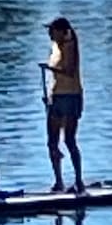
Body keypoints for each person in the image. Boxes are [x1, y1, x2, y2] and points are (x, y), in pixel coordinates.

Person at [42, 16, 84, 195]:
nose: (50, 34)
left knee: (69, 140)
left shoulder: (70, 45)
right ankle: (58, 181)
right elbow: (57, 75)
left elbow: (69, 71)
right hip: (57, 96)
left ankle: (78, 181)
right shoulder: (55, 47)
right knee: (52, 142)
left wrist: (48, 68)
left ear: (62, 31)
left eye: (52, 31)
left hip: (71, 96)